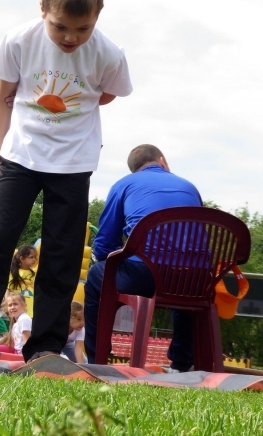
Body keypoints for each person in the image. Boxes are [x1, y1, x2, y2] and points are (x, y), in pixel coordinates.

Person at [0, 0, 133, 365]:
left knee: (63, 256)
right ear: (43, 7)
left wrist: (80, 108)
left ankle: (45, 347)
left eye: (82, 29)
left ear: (97, 15)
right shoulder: (20, 40)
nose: (70, 37)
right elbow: (2, 93)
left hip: (74, 161)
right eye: (60, 26)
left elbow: (111, 92)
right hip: (22, 154)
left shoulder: (107, 54)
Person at [83, 144, 200, 372]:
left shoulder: (124, 185)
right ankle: (182, 364)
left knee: (98, 275)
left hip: (143, 275)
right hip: (195, 280)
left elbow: (105, 243)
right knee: (183, 277)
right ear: (162, 160)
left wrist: (116, 261)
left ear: (134, 170)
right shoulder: (190, 188)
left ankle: (97, 361)